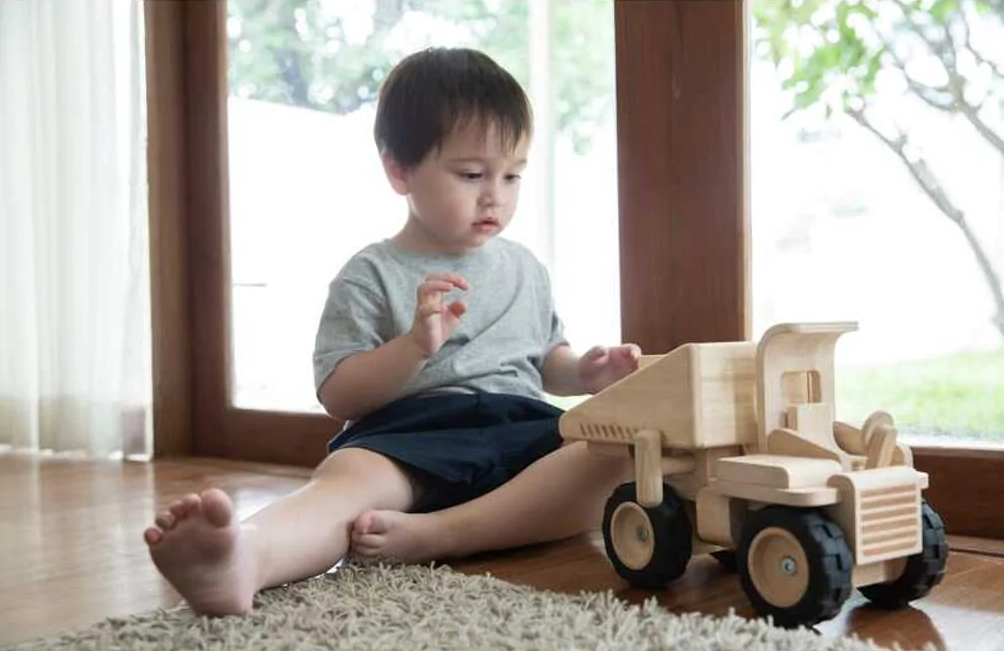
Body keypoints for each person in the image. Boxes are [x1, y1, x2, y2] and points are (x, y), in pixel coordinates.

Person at [143, 47, 640, 617]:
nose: (494, 195)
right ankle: (242, 558)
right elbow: (339, 394)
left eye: (512, 175)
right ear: (399, 170)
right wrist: (412, 349)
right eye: (472, 174)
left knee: (620, 452)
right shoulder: (370, 274)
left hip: (522, 430)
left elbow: (545, 357)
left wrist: (584, 373)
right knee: (343, 485)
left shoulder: (526, 267)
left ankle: (443, 534)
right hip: (410, 436)